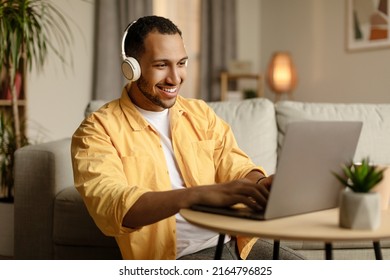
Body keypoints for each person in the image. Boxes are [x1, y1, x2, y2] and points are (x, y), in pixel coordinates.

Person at [71, 15, 303, 260]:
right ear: (132, 68)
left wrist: (260, 183)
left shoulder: (200, 113)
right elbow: (112, 206)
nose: (175, 78)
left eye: (181, 63)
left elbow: (235, 164)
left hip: (238, 244)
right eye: (161, 65)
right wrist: (196, 195)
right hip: (179, 257)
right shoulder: (96, 130)